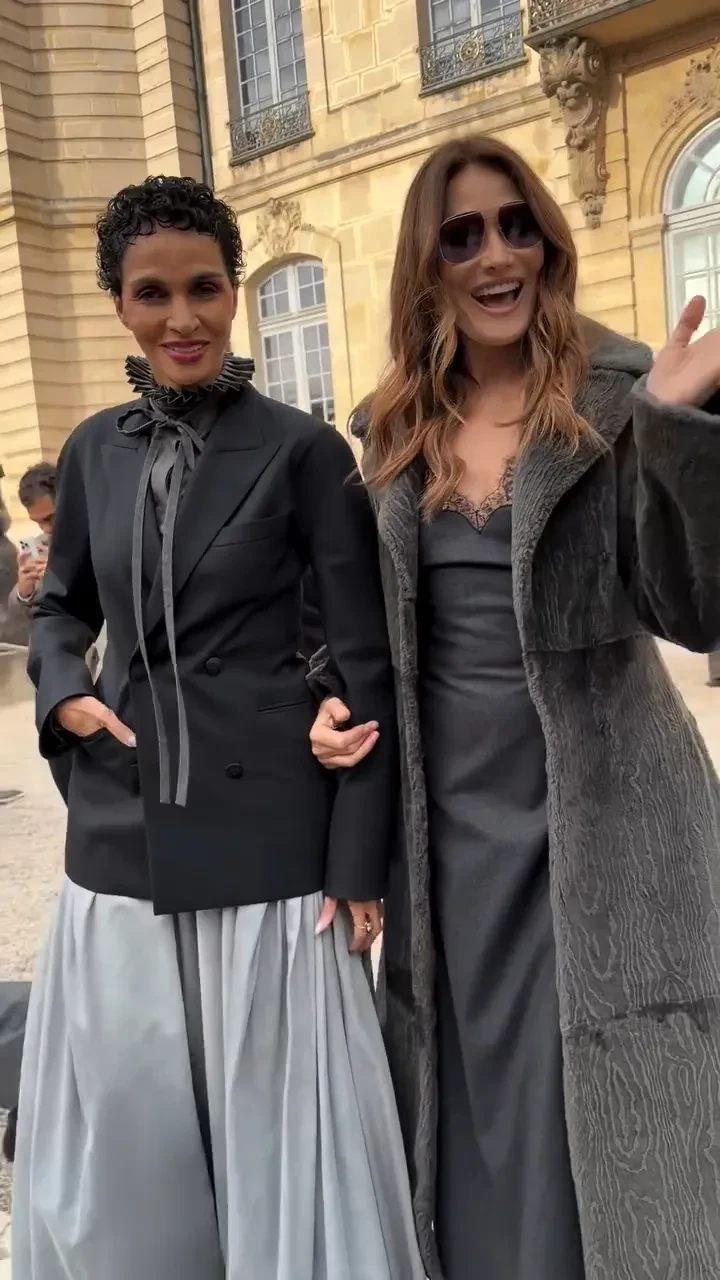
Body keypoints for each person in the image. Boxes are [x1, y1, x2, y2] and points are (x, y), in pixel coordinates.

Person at [308, 134, 720, 1280]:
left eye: (516, 225)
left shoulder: (618, 395)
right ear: (426, 264)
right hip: (451, 838)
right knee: (473, 1115)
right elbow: (353, 628)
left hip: (605, 817)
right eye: (463, 236)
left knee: (603, 1123)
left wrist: (674, 425)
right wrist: (325, 703)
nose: (497, 255)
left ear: (547, 241)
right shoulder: (389, 430)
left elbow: (692, 608)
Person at [12, 175, 425, 1280]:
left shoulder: (305, 451)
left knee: (279, 1143)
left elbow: (365, 660)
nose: (182, 317)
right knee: (133, 1142)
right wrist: (59, 690)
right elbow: (61, 607)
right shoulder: (91, 449)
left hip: (272, 841)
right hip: (124, 826)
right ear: (118, 302)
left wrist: (358, 858)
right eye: (153, 293)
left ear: (235, 290)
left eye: (204, 287)